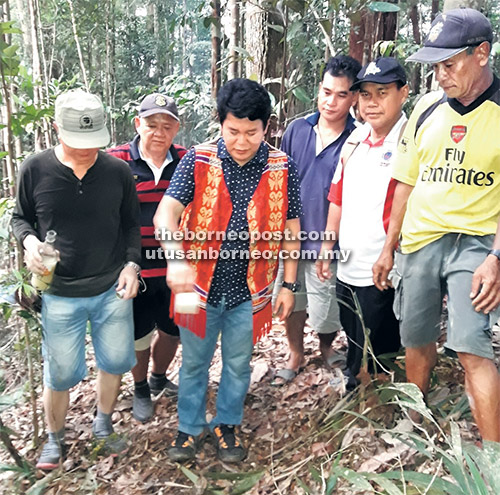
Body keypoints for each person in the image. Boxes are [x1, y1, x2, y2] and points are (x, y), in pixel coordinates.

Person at [154, 78, 302, 462]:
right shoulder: (198, 159)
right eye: (233, 131)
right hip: (193, 288)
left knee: (238, 364)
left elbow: (291, 229)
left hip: (250, 289)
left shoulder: (283, 167)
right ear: (220, 123)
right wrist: (175, 257)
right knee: (193, 362)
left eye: (251, 132)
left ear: (266, 127)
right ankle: (188, 428)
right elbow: (166, 212)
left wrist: (288, 285)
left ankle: (227, 423)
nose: (241, 141)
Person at [372, 8, 500, 442]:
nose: (441, 75)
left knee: (471, 348)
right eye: (436, 66)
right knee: (417, 338)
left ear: (482, 54)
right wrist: (389, 247)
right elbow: (406, 184)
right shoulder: (426, 108)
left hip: (477, 244)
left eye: (450, 64)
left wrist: (496, 259)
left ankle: (492, 459)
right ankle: (415, 423)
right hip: (421, 241)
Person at [12, 90, 141, 469]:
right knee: (60, 372)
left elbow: (132, 225)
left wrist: (132, 266)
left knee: (115, 361)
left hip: (111, 287)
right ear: (56, 129)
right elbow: (19, 218)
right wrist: (29, 241)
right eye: (77, 142)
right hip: (60, 291)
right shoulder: (34, 169)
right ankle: (54, 439)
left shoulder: (117, 171)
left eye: (93, 142)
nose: (87, 150)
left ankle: (103, 425)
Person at [317, 57, 408, 390]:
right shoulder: (353, 142)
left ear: (403, 93)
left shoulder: (411, 143)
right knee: (353, 331)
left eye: (382, 93)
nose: (372, 102)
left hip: (385, 267)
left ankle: (378, 401)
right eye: (365, 94)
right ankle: (357, 384)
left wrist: (390, 251)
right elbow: (337, 198)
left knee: (381, 342)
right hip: (348, 263)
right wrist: (327, 246)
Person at [272, 55, 361, 386]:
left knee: (326, 310)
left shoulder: (358, 137)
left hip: (331, 243)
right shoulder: (297, 129)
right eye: (326, 92)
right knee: (291, 300)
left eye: (341, 94)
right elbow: (279, 181)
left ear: (353, 97)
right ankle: (295, 353)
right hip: (291, 238)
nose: (331, 101)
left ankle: (325, 347)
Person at [108, 93, 187, 422]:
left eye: (166, 126)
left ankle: (158, 376)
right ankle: (140, 387)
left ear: (177, 129)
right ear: (138, 124)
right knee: (139, 334)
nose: (158, 132)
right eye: (151, 125)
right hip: (133, 268)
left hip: (175, 268)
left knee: (173, 329)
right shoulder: (115, 161)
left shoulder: (186, 160)